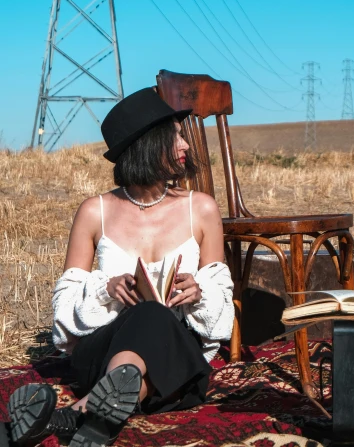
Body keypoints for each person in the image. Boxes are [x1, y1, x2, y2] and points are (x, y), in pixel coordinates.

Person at [8, 87, 234, 447]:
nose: (186, 146)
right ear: (148, 144)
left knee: (156, 319)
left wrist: (199, 293)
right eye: (175, 136)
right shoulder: (94, 211)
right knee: (148, 314)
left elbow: (222, 318)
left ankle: (73, 415)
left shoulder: (201, 209)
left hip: (175, 353)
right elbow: (62, 320)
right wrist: (106, 290)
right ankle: (95, 408)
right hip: (103, 349)